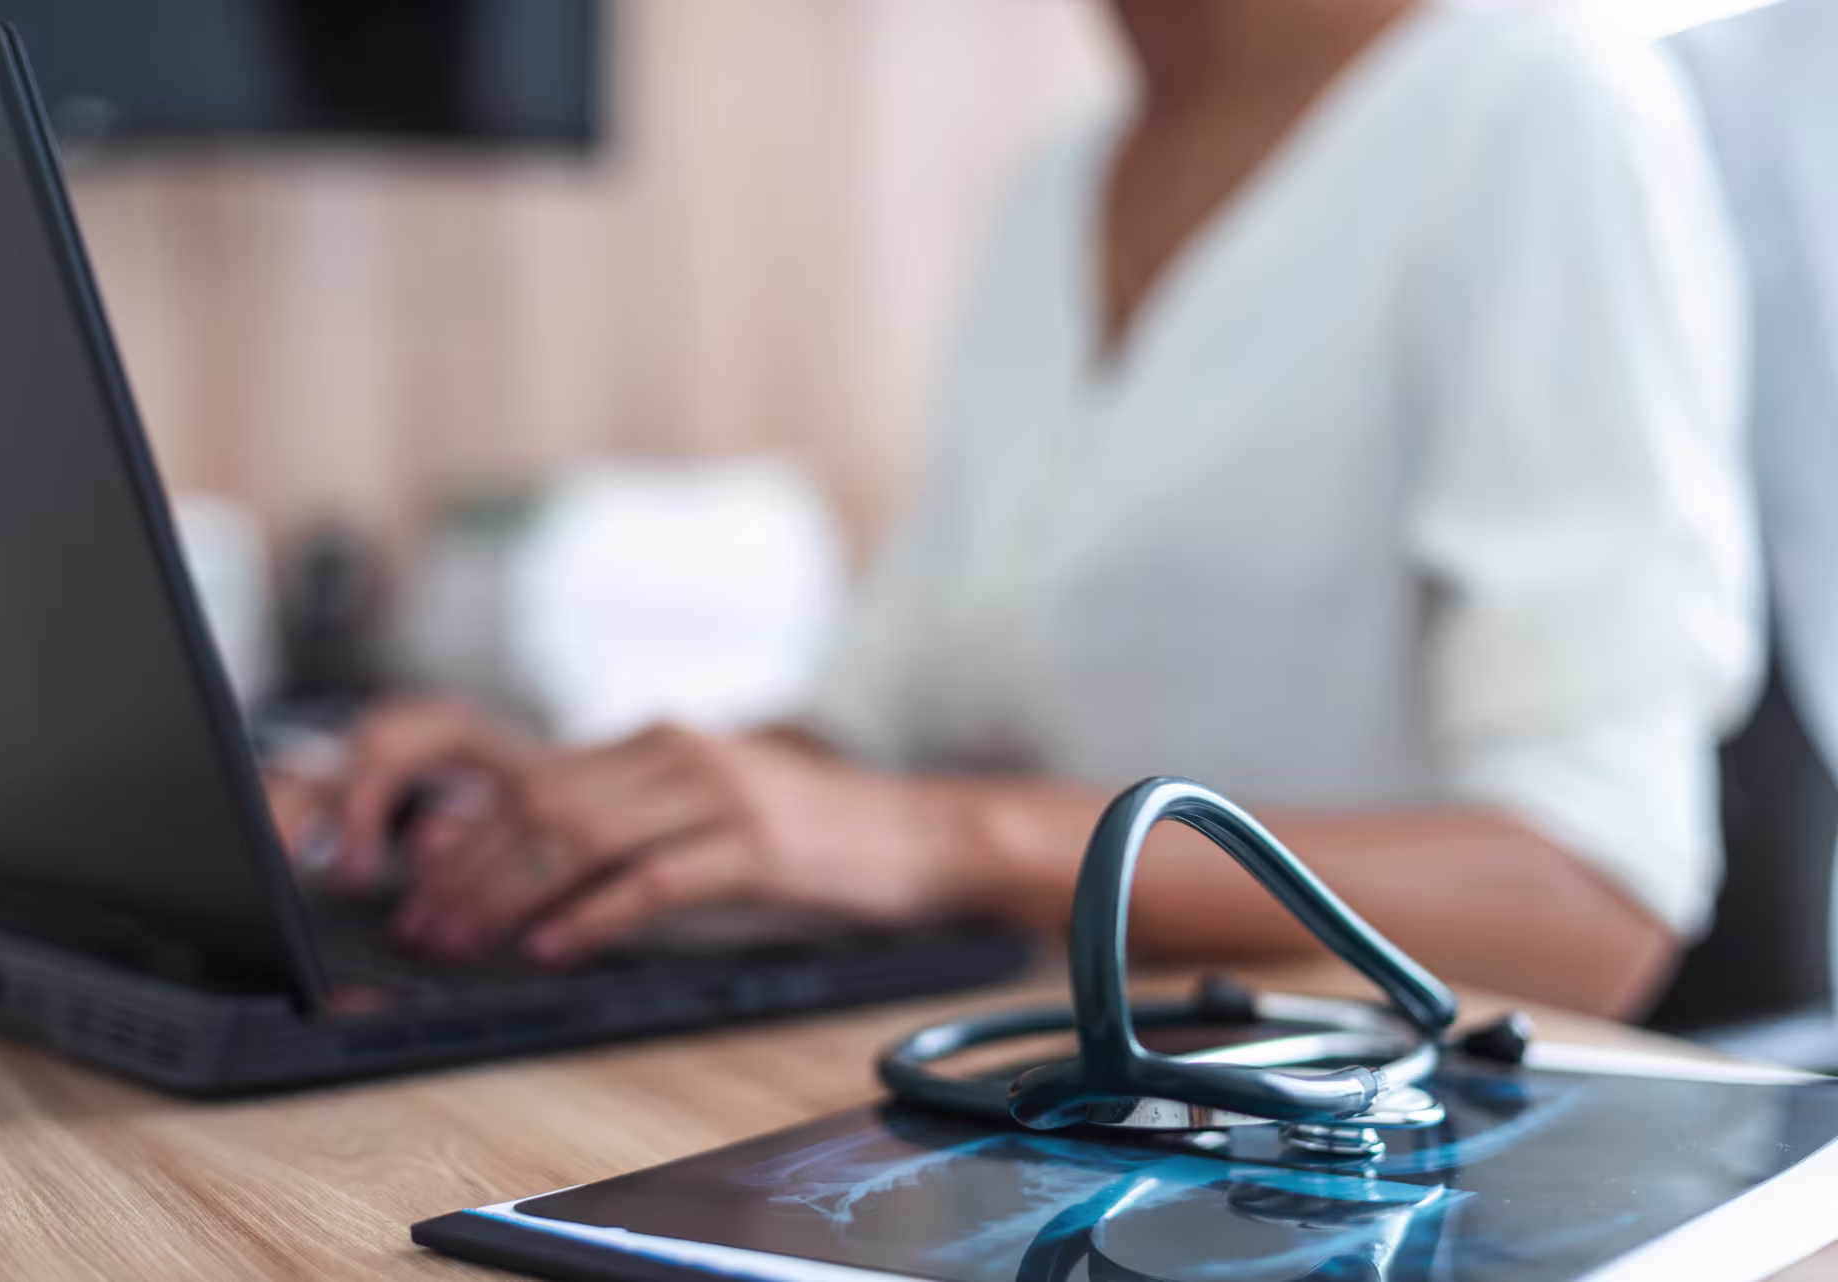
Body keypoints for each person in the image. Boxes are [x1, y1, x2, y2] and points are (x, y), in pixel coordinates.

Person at [270, 0, 1759, 1018]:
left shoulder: (1539, 106)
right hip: (1056, 1087)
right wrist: (565, 814)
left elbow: (1594, 905)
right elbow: (878, 745)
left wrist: (946, 836)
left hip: (1342, 1163)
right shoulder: (1060, 181)